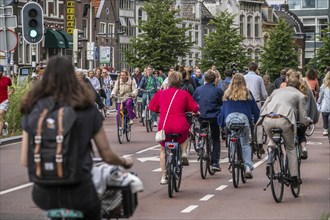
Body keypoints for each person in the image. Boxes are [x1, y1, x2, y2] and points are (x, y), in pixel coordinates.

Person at [20, 56, 133, 220]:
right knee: (97, 211)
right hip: (79, 190)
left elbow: (25, 160)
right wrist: (124, 161)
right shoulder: (86, 108)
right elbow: (106, 154)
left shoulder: (33, 110)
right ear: (73, 78)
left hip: (43, 193)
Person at [257, 69, 312, 188]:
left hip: (268, 120)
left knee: (272, 141)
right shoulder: (300, 95)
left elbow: (264, 107)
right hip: (284, 121)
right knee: (291, 148)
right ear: (298, 84)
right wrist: (307, 122)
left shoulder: (276, 91)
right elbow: (303, 117)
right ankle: (294, 178)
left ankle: (270, 158)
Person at [148, 71, 199, 184]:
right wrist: (195, 111)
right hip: (179, 124)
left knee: (162, 150)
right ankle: (184, 152)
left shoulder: (161, 93)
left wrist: (158, 111)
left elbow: (152, 107)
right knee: (185, 134)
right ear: (180, 82)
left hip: (165, 126)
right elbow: (194, 107)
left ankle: (163, 176)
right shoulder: (184, 94)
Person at [218, 73, 260, 178]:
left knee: (232, 137)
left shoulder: (227, 93)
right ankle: (247, 166)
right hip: (243, 120)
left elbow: (223, 111)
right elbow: (255, 110)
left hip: (230, 119)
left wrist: (222, 124)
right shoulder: (247, 93)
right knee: (245, 144)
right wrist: (255, 120)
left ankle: (232, 159)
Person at [193, 70, 223, 171]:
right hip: (214, 116)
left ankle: (200, 144)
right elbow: (221, 103)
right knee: (215, 138)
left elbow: (194, 102)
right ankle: (215, 162)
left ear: (204, 79)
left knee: (202, 128)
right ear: (215, 80)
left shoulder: (198, 89)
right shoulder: (218, 90)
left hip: (202, 116)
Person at [244, 62, 268, 153]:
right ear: (256, 69)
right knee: (259, 123)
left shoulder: (244, 77)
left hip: (246, 102)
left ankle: (247, 140)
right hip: (257, 102)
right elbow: (264, 93)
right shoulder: (259, 78)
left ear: (248, 68)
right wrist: (267, 99)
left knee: (246, 122)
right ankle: (259, 144)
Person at [0, 65, 14, 137]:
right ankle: (4, 126)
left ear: (2, 72)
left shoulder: (7, 79)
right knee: (1, 119)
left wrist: (10, 93)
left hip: (4, 100)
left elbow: (12, 88)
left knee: (0, 113)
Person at [317, 71, 330, 136]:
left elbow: (321, 96)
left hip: (326, 107)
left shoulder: (323, 86)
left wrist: (319, 102)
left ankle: (325, 129)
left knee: (325, 115)